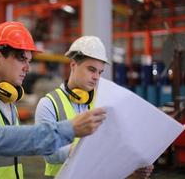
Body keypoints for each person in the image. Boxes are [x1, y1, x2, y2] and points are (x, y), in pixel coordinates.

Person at [0, 22, 106, 179]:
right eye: (21, 59)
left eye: (29, 61)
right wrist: (69, 129)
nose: (27, 67)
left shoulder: (7, 101)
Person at [35, 36, 154, 178]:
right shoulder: (49, 104)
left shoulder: (101, 103)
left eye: (99, 72)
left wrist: (133, 167)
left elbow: (111, 148)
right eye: (91, 70)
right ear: (73, 65)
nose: (96, 77)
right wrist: (81, 151)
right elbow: (48, 152)